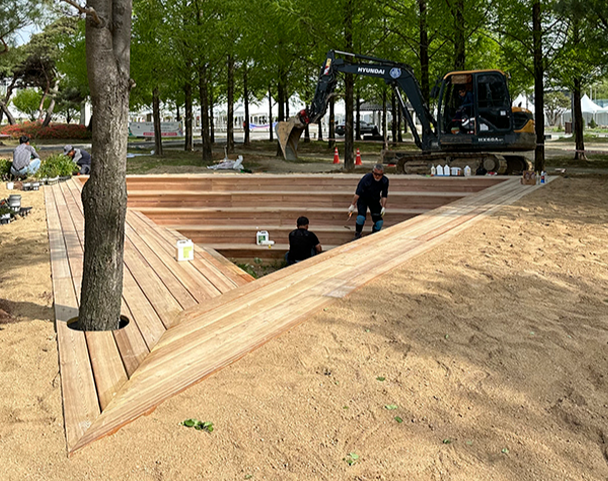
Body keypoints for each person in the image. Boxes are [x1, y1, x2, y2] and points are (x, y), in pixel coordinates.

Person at [348, 163, 388, 239]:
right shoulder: (366, 178)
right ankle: (358, 234)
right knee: (361, 218)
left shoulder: (385, 181)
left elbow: (384, 195)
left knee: (379, 222)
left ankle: (374, 235)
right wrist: (352, 205)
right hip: (363, 198)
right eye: (375, 174)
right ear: (372, 173)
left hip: (374, 199)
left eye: (380, 175)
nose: (377, 177)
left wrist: (383, 207)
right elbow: (358, 193)